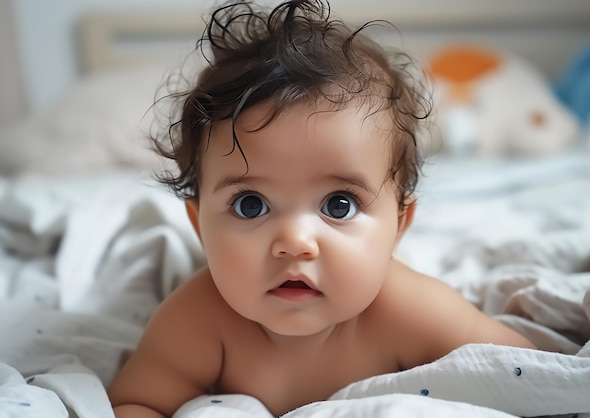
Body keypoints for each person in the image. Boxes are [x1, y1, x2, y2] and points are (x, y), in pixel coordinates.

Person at [107, 1, 536, 416]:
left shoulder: (409, 309)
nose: (295, 242)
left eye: (339, 204)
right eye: (251, 205)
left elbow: (529, 372)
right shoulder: (196, 321)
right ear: (199, 226)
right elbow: (135, 404)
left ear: (398, 226)